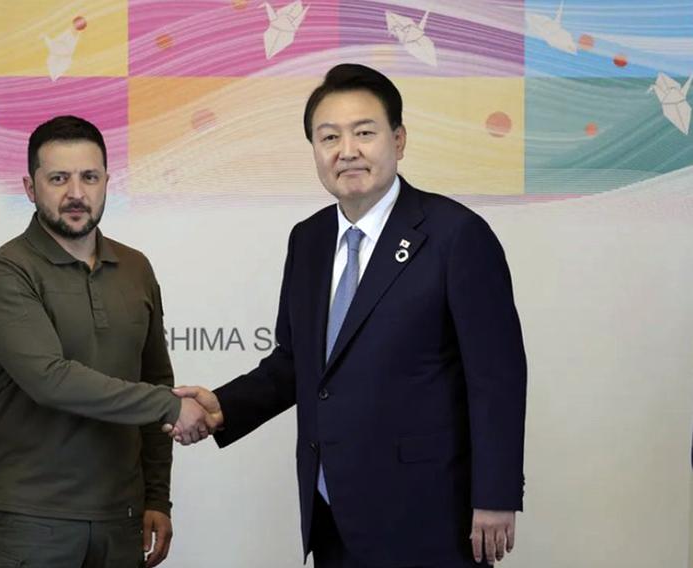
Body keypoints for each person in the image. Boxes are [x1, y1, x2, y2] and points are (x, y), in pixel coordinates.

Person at [168, 64, 528, 567]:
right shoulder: (308, 239)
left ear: (398, 141)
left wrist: (495, 494)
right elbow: (299, 363)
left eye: (365, 133)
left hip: (429, 513)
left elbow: (497, 378)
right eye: (329, 136)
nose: (347, 150)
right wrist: (221, 406)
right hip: (331, 510)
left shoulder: (456, 236)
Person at [0, 115, 209, 568]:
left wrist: (157, 497)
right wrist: (169, 405)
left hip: (121, 520)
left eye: (89, 177)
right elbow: (50, 380)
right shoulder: (6, 272)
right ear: (29, 186)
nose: (76, 193)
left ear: (106, 183)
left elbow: (157, 377)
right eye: (58, 178)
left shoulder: (137, 268)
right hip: (31, 522)